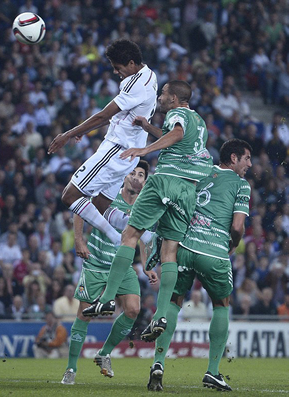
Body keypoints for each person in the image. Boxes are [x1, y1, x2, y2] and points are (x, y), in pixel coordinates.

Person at [83, 81, 213, 346]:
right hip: (188, 190)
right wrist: (147, 128)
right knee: (169, 252)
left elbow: (175, 133)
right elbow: (178, 139)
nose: (160, 97)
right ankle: (161, 315)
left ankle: (107, 298)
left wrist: (144, 149)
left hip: (165, 180)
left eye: (164, 93)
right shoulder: (199, 122)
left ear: (175, 98)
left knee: (130, 235)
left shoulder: (177, 115)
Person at [147, 139, 252, 392]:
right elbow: (237, 226)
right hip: (214, 251)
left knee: (174, 301)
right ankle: (213, 372)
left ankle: (158, 362)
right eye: (247, 158)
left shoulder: (200, 172)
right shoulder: (241, 184)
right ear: (234, 158)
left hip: (183, 247)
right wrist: (234, 244)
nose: (249, 164)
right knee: (221, 304)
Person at [48, 38, 158, 248]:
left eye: (119, 68)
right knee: (100, 206)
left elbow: (103, 115)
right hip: (130, 154)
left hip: (115, 151)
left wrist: (68, 134)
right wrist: (86, 130)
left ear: (132, 63)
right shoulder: (150, 75)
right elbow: (117, 115)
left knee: (69, 196)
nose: (117, 72)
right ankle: (147, 237)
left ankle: (116, 238)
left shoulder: (134, 84)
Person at [61, 161, 158, 385]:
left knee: (133, 310)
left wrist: (146, 265)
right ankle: (71, 368)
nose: (136, 177)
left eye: (141, 174)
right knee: (84, 314)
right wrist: (78, 239)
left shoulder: (143, 205)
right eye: (132, 173)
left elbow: (142, 237)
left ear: (145, 181)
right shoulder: (109, 196)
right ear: (124, 177)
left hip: (122, 267)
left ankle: (104, 353)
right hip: (96, 262)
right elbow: (80, 207)